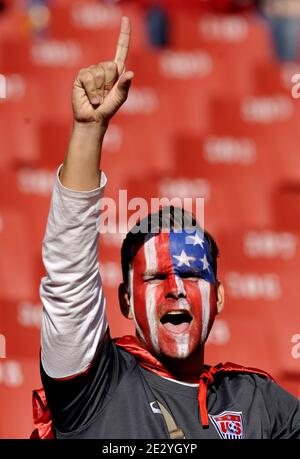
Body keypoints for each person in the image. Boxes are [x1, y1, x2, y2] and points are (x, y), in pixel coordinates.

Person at [33, 16, 300, 439]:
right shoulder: (93, 384)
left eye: (194, 274)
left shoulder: (259, 402)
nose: (176, 287)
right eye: (156, 276)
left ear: (221, 296)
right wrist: (88, 130)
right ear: (124, 299)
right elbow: (67, 275)